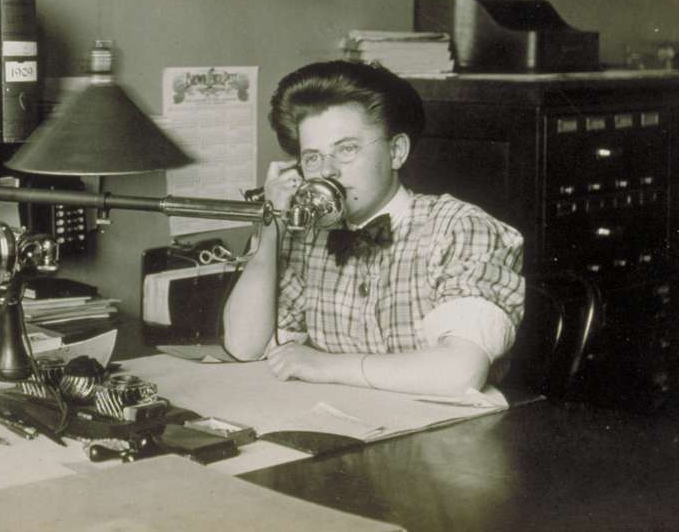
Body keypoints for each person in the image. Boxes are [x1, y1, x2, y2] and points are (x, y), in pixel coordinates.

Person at [222, 60, 524, 396]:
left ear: (396, 151)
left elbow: (459, 373)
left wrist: (323, 366)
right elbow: (243, 346)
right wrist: (271, 226)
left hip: (448, 436)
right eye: (313, 157)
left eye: (347, 149)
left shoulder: (461, 228)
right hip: (346, 423)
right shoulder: (305, 235)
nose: (328, 171)